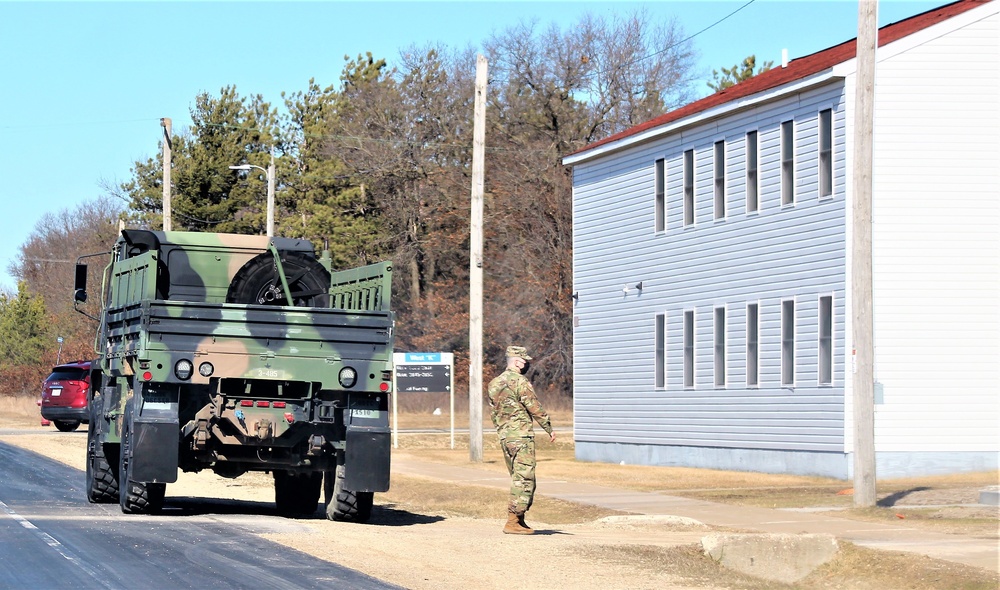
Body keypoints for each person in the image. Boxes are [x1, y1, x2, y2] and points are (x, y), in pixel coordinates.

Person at [487, 345, 556, 535]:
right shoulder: (519, 381)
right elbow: (534, 406)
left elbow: (494, 411)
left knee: (517, 477)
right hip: (521, 435)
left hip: (505, 436)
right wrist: (548, 427)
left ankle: (520, 520)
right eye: (525, 361)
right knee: (525, 478)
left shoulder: (494, 383)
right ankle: (513, 521)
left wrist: (503, 430)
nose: (526, 365)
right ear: (517, 362)